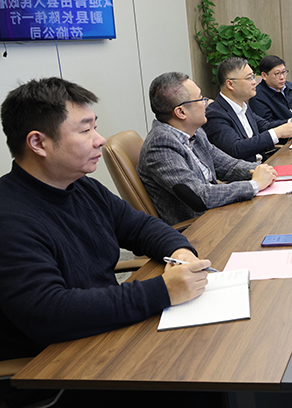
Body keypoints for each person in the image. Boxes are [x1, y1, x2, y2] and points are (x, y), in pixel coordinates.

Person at [0, 77, 212, 362]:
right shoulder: (10, 217)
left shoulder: (82, 187)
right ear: (38, 142)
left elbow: (141, 226)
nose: (99, 140)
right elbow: (49, 312)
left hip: (107, 333)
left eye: (95, 127)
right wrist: (162, 290)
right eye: (85, 130)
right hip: (59, 363)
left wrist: (180, 251)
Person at [138, 71, 277, 226]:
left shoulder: (195, 132)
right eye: (201, 99)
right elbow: (199, 196)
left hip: (217, 214)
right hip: (198, 228)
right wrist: (254, 185)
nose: (207, 102)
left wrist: (264, 171)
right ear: (181, 112)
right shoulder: (161, 146)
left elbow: (228, 166)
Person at [204, 57, 292, 162]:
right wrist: (276, 133)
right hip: (245, 170)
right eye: (249, 78)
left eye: (253, 77)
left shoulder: (243, 106)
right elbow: (236, 148)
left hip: (263, 164)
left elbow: (265, 126)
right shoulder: (215, 114)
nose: (254, 82)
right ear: (230, 84)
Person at [250, 54, 292, 130]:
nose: (282, 77)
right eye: (277, 74)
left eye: (284, 72)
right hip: (285, 135)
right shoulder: (257, 96)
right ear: (264, 75)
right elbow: (266, 126)